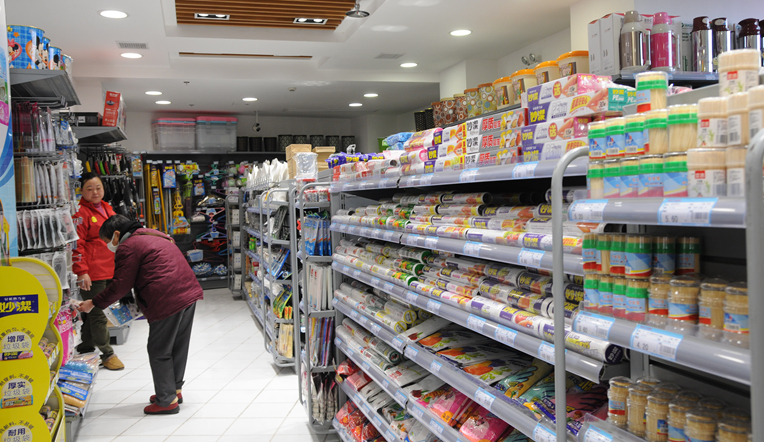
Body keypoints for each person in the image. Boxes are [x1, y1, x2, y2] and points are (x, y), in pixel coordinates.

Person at [77, 214, 204, 415]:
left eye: (108, 241)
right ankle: (173, 390)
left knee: (159, 349)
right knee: (178, 345)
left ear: (116, 234)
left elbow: (120, 285)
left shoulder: (128, 246)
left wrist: (93, 303)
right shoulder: (154, 234)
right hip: (188, 291)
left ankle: (166, 401)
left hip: (166, 298)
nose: (110, 246)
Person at [72, 173, 124, 370]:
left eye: (98, 188)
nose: (95, 192)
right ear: (81, 191)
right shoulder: (80, 213)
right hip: (92, 272)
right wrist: (81, 271)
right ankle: (108, 354)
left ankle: (85, 346)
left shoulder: (107, 207)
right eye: (89, 189)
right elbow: (76, 245)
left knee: (96, 310)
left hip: (110, 267)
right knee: (98, 312)